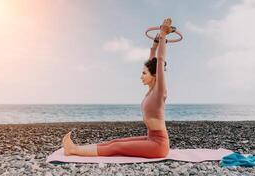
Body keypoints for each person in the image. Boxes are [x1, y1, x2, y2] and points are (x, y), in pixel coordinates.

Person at [62, 18, 179, 158]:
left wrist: (163, 34)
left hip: (158, 145)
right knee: (115, 141)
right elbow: (153, 59)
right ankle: (76, 147)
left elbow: (159, 60)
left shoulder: (159, 92)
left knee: (117, 147)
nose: (141, 76)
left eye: (144, 73)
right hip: (151, 138)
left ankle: (73, 151)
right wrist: (154, 44)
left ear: (154, 75)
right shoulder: (150, 91)